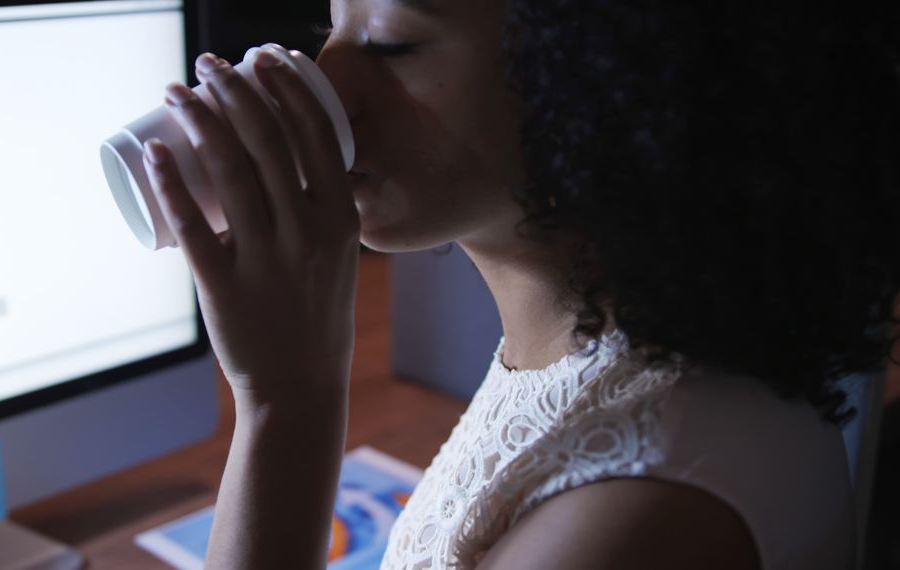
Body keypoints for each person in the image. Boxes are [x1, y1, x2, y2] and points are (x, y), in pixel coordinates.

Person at [140, 0, 900, 568]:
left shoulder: (632, 522)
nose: (321, 87)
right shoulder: (608, 349)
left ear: (606, 72)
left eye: (390, 43)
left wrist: (286, 401)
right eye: (332, 27)